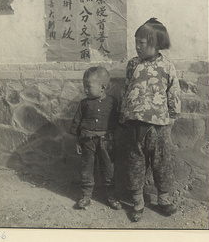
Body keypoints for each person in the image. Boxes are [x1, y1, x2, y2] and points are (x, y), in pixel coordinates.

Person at [120, 18, 181, 222]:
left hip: (159, 125)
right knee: (135, 163)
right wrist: (123, 114)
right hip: (134, 122)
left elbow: (173, 91)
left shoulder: (167, 66)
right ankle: (137, 202)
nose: (137, 46)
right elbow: (126, 89)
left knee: (161, 163)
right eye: (136, 41)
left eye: (142, 42)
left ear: (156, 43)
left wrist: (172, 115)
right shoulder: (133, 64)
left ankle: (163, 199)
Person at [70, 66, 122, 210]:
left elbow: (118, 120)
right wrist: (77, 142)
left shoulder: (112, 102)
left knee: (108, 168)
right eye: (84, 86)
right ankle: (86, 196)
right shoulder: (84, 104)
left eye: (88, 86)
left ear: (103, 87)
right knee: (87, 168)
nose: (85, 89)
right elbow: (77, 123)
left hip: (107, 142)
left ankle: (111, 196)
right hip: (88, 142)